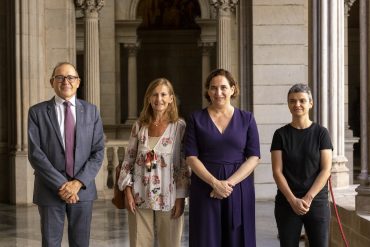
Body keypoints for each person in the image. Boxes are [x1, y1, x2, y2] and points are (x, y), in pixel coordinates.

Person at [28, 62, 105, 247]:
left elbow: (98, 151)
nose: (66, 81)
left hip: (82, 191)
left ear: (78, 82)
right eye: (60, 77)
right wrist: (63, 186)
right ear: (52, 82)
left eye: (71, 77)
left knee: (80, 243)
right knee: (50, 243)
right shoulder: (37, 112)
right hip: (49, 189)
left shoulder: (92, 111)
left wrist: (77, 184)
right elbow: (35, 154)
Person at [184, 68, 260, 247]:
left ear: (233, 89)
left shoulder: (247, 118)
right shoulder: (196, 118)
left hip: (239, 188)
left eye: (223, 87)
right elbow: (191, 156)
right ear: (208, 91)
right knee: (206, 239)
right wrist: (215, 183)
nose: (218, 93)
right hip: (205, 187)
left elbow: (254, 156)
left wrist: (228, 184)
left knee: (238, 239)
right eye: (213, 88)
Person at [117, 78, 189, 247]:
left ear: (171, 98)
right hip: (139, 195)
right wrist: (127, 191)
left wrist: (180, 198)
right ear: (148, 98)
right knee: (139, 243)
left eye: (163, 94)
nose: (159, 99)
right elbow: (129, 159)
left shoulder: (179, 127)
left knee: (170, 243)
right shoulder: (139, 126)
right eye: (154, 95)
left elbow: (183, 165)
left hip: (169, 197)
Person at [270, 83, 332, 247]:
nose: (297, 104)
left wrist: (307, 198)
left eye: (302, 100)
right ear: (288, 104)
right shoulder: (280, 134)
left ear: (310, 103)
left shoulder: (321, 133)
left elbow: (326, 170)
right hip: (287, 203)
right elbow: (277, 172)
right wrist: (293, 200)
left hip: (317, 201)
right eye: (292, 101)